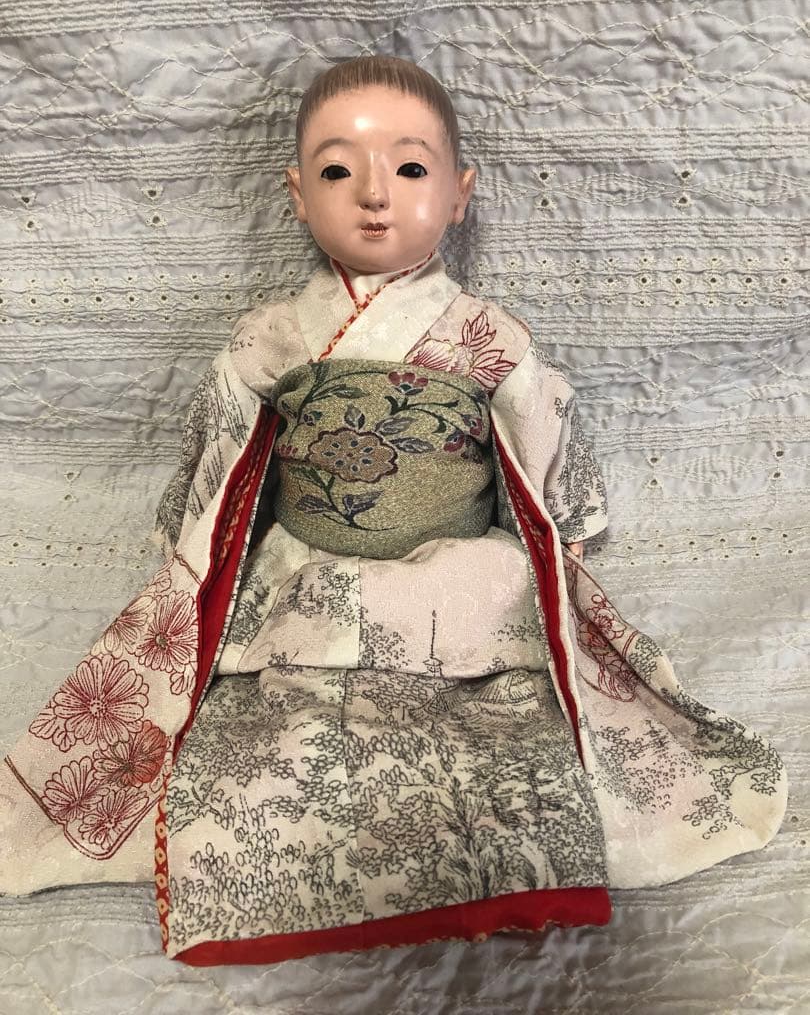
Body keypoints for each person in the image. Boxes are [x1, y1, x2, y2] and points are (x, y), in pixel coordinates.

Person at [0, 56, 786, 966]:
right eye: (338, 170)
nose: (375, 195)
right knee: (273, 734)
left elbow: (539, 432)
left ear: (459, 195)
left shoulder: (485, 337)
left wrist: (561, 529)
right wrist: (194, 546)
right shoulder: (273, 336)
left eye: (411, 168)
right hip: (312, 571)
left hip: (459, 573)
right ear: (298, 195)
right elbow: (222, 442)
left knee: (501, 730)